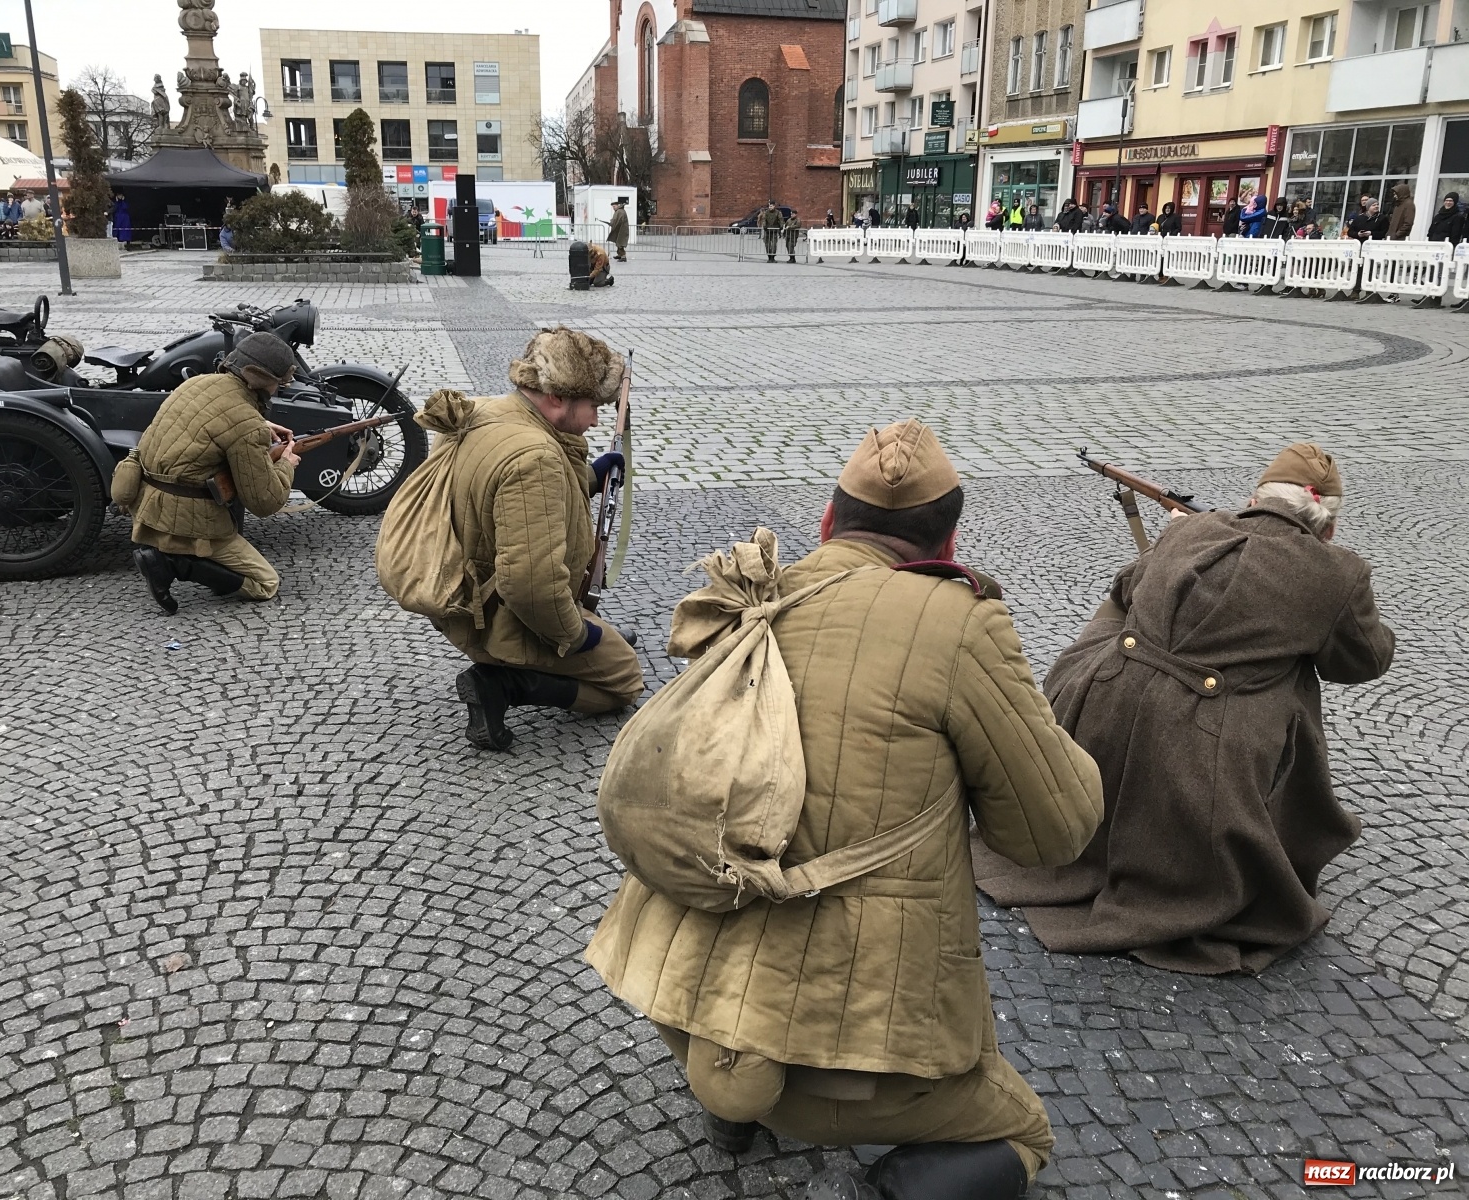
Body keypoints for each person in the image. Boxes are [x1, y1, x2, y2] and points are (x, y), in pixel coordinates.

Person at [587, 419, 1103, 1200]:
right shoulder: (959, 622)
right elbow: (1052, 832)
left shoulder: (755, 590)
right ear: (948, 544)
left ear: (828, 524)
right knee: (1023, 1130)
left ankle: (729, 1107)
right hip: (843, 1064)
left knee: (738, 1035)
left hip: (674, 991)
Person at [975, 443, 1393, 976]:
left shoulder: (1192, 529)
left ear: (1254, 498)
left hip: (1100, 698)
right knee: (1293, 676)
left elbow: (1127, 587)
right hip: (1204, 739)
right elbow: (1361, 661)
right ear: (1328, 526)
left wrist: (1179, 538)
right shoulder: (1339, 571)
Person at [442, 327, 644, 752]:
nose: (595, 419)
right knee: (625, 680)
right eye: (592, 405)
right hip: (504, 617)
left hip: (469, 596)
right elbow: (530, 585)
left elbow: (516, 504)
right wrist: (576, 636)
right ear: (556, 398)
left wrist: (590, 475)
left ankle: (576, 644)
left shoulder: (494, 414)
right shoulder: (536, 458)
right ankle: (503, 683)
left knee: (599, 641)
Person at [117, 333, 302, 613]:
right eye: (278, 383)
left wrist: (258, 424)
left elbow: (209, 420)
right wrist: (286, 464)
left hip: (146, 501)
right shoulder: (246, 423)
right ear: (262, 380)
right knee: (265, 583)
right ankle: (173, 563)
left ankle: (178, 556)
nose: (278, 389)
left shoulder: (196, 383)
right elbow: (264, 502)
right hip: (184, 518)